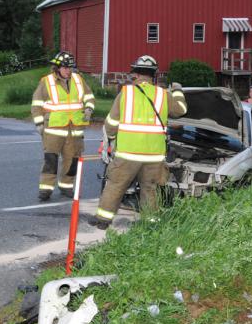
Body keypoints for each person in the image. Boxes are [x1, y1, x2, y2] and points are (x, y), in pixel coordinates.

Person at [89, 55, 188, 230]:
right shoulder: (163, 95)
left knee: (115, 185)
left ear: (135, 73)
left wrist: (110, 140)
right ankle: (151, 224)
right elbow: (181, 110)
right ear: (154, 75)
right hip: (153, 156)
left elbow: (111, 122)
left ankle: (103, 220)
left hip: (128, 153)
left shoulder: (126, 93)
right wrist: (178, 90)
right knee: (149, 189)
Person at [31, 51, 95, 200]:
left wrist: (89, 108)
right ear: (57, 68)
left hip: (75, 129)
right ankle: (45, 189)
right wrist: (39, 124)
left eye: (70, 68)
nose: (68, 71)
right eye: (65, 68)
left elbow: (89, 96)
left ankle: (66, 187)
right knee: (50, 160)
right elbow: (36, 104)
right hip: (54, 129)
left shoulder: (78, 80)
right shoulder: (46, 82)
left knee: (72, 160)